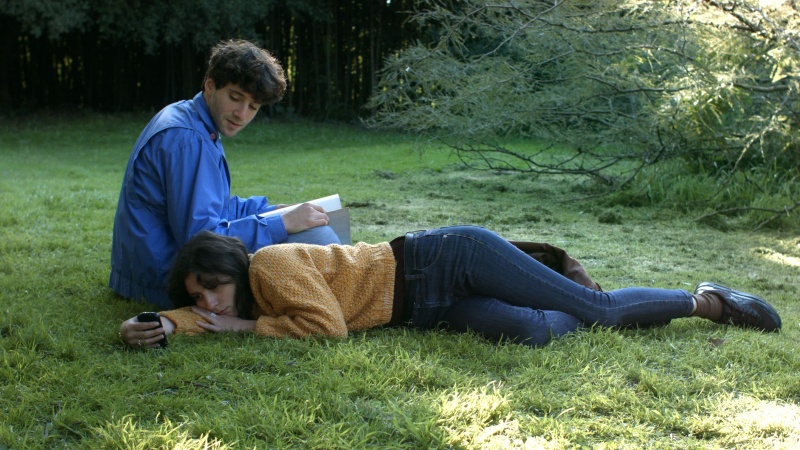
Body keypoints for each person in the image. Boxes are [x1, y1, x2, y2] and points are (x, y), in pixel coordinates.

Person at [118, 226, 782, 349]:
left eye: (211, 288)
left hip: (445, 261)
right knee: (532, 333)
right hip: (423, 309)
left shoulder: (268, 267)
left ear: (233, 272)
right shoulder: (239, 296)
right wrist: (163, 323)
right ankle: (557, 295)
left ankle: (708, 302)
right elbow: (203, 315)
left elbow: (328, 327)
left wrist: (241, 327)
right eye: (197, 296)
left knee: (598, 310)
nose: (209, 302)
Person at [110, 39, 340, 309]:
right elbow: (200, 239)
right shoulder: (189, 139)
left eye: (253, 107)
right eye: (235, 98)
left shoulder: (190, 119)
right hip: (165, 281)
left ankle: (331, 299)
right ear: (210, 85)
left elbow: (212, 207)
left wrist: (273, 211)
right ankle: (335, 303)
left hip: (145, 273)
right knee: (318, 239)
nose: (242, 114)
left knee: (313, 234)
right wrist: (281, 224)